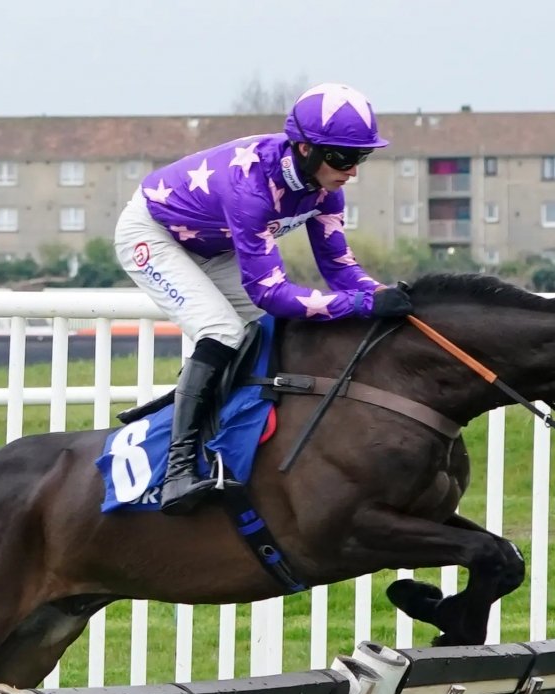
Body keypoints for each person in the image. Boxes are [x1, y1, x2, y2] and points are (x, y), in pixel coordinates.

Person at [114, 81, 414, 516]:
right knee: (222, 331)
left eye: (360, 157)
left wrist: (382, 294)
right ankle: (177, 471)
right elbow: (270, 292)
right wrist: (363, 305)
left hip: (214, 246)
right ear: (306, 149)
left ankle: (232, 437)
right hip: (154, 235)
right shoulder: (251, 188)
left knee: (268, 332)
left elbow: (339, 269)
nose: (352, 170)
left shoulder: (326, 189)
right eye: (343, 157)